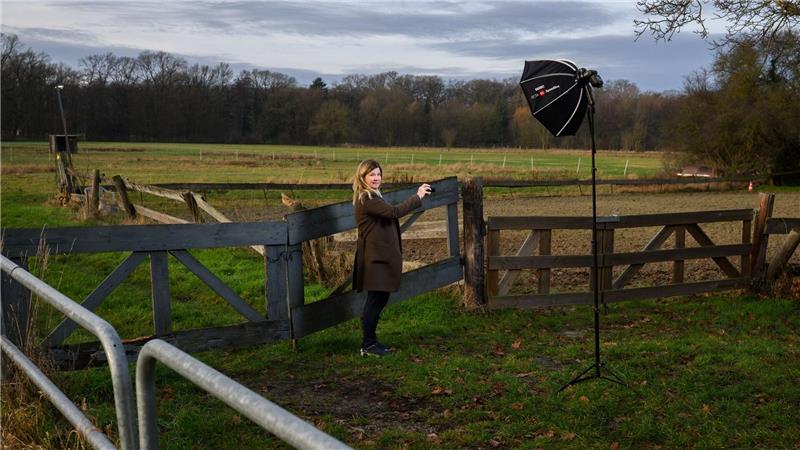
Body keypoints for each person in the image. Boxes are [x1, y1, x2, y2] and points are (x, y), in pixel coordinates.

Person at [352, 159, 431, 357]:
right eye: (371, 175)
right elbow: (394, 212)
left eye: (378, 174)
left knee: (379, 298)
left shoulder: (374, 196)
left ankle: (370, 341)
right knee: (374, 299)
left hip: (379, 256)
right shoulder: (367, 199)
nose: (376, 178)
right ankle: (368, 345)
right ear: (362, 177)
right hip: (374, 258)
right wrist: (418, 196)